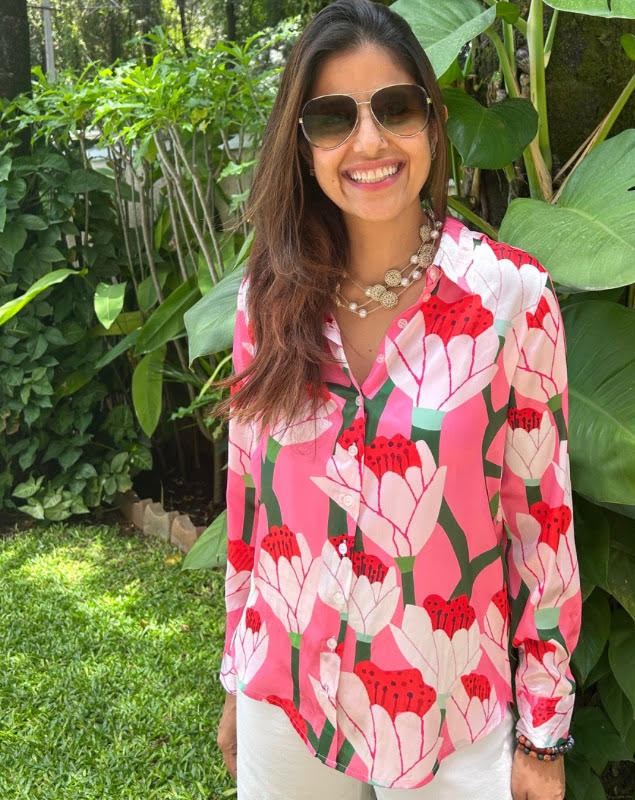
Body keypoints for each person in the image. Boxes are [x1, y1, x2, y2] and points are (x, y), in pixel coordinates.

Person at [216, 1, 580, 798]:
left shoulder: (510, 298)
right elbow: (250, 505)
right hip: (287, 695)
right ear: (301, 140)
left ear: (432, 122)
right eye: (333, 116)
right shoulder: (267, 301)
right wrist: (237, 676)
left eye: (396, 107)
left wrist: (544, 739)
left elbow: (541, 529)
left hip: (451, 706)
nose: (370, 141)